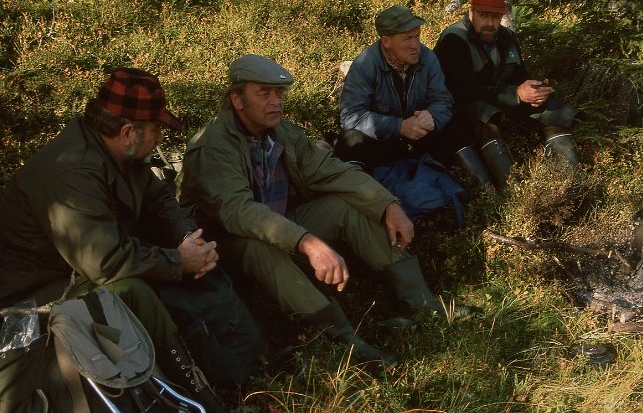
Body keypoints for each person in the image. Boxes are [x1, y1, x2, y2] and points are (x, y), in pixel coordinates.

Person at [0, 68, 266, 411]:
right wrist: (178, 260)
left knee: (189, 272)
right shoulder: (72, 172)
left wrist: (190, 239)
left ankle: (238, 368)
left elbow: (158, 200)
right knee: (136, 293)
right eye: (157, 129)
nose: (161, 137)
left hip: (85, 271)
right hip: (41, 294)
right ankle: (197, 397)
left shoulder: (119, 150)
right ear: (129, 131)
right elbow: (104, 262)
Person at [176, 54, 449, 369]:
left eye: (278, 94)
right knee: (259, 247)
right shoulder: (214, 145)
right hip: (219, 248)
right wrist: (308, 243)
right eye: (263, 94)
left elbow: (330, 170)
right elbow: (240, 214)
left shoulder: (280, 130)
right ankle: (347, 342)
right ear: (237, 100)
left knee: (345, 205)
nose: (275, 101)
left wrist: (388, 204)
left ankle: (424, 306)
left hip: (278, 226)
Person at [433, 0, 580, 189]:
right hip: (461, 108)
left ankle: (571, 184)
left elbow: (519, 74)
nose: (490, 24)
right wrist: (516, 94)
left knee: (553, 110)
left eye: (495, 17)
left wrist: (535, 88)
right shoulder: (454, 39)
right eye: (483, 16)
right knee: (485, 117)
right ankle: (513, 192)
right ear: (471, 13)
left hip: (499, 99)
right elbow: (462, 92)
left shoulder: (507, 37)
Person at [335, 5, 474, 173]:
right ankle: (367, 195)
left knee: (455, 128)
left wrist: (433, 117)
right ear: (386, 41)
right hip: (381, 142)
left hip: (419, 135)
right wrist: (399, 127)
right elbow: (350, 116)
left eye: (417, 36)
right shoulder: (365, 65)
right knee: (351, 140)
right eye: (407, 38)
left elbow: (443, 99)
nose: (416, 45)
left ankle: (486, 192)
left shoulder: (428, 58)